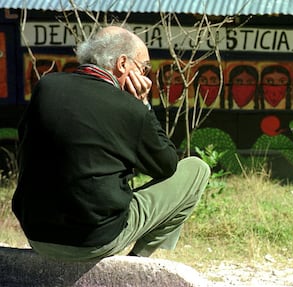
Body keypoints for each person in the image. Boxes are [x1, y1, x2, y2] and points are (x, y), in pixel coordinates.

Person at [12, 25, 210, 262]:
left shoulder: (46, 87)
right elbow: (166, 166)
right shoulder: (130, 108)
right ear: (123, 64)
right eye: (144, 68)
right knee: (197, 169)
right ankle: (137, 263)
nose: (146, 76)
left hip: (37, 234)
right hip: (94, 241)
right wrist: (143, 105)